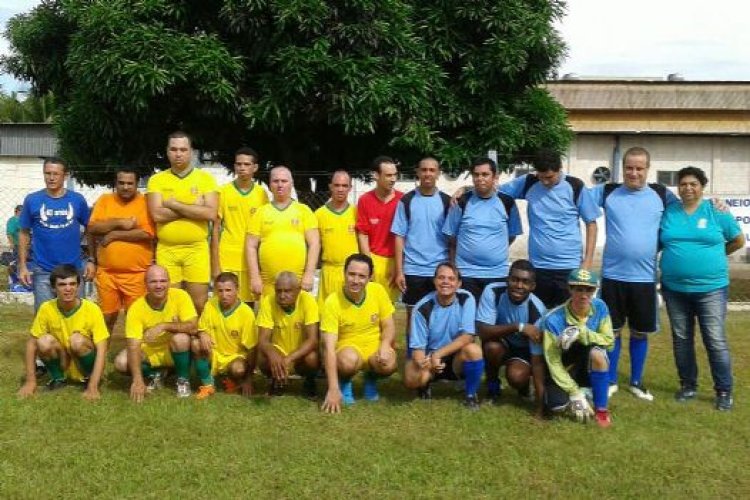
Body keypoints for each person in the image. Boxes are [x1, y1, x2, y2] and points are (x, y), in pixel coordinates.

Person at [590, 147, 679, 401]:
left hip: (644, 279)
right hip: (613, 277)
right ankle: (611, 379)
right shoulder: (608, 192)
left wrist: (715, 204)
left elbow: (688, 206)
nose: (634, 173)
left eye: (639, 168)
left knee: (640, 332)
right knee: (613, 331)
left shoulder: (661, 195)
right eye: (629, 167)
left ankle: (637, 381)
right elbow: (574, 197)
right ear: (623, 168)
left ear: (647, 170)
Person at [659, 166, 744, 411]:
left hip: (711, 289)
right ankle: (688, 385)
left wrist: (718, 255)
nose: (688, 188)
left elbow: (738, 240)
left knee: (715, 340)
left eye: (693, 184)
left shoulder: (716, 211)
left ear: (702, 187)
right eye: (683, 184)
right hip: (674, 289)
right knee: (682, 339)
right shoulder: (669, 212)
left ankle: (724, 390)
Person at [499, 150, 600, 308]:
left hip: (569, 266)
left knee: (568, 318)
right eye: (541, 177)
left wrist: (587, 261)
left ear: (560, 169)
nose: (545, 182)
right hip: (539, 267)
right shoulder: (529, 182)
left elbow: (591, 224)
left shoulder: (575, 186)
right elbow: (494, 191)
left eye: (549, 177)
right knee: (539, 318)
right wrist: (464, 191)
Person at [146, 131, 218, 315]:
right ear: (167, 152)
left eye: (183, 149)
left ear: (191, 152)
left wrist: (173, 204)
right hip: (167, 249)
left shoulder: (205, 179)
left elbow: (210, 213)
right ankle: (175, 342)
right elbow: (157, 215)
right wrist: (193, 209)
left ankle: (202, 341)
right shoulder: (156, 180)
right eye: (174, 149)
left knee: (200, 303)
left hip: (196, 249)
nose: (178, 154)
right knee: (170, 304)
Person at [17, 264, 109, 400]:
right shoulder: (46, 308)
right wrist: (31, 382)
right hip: (63, 359)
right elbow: (31, 344)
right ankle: (58, 378)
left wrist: (94, 386)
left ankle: (89, 379)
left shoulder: (92, 309)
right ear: (54, 288)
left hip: (82, 357)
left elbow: (102, 348)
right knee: (43, 341)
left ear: (78, 286)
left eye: (72, 284)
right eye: (62, 284)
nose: (68, 289)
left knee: (77, 340)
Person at [320, 253, 397, 413]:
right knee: (348, 362)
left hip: (373, 348)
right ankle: (344, 382)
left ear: (370, 278)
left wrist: (384, 345)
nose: (355, 280)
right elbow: (328, 347)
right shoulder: (332, 302)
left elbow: (389, 325)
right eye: (352, 274)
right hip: (348, 350)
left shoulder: (378, 291)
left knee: (389, 362)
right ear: (344, 273)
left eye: (362, 276)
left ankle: (371, 378)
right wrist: (333, 388)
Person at [403, 262, 483, 410]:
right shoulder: (422, 307)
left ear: (459, 284)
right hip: (430, 358)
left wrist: (438, 354)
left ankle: (471, 395)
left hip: (455, 357)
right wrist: (425, 362)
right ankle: (425, 384)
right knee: (410, 378)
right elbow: (418, 351)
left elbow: (468, 337)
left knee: (474, 350)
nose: (446, 282)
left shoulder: (467, 299)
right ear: (434, 281)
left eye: (451, 279)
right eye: (441, 278)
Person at [18, 157, 94, 311]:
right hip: (43, 270)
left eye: (55, 174)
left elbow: (90, 229)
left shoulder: (77, 200)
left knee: (77, 318)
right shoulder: (32, 200)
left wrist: (91, 259)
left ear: (65, 175)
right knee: (45, 319)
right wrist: (23, 266)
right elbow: (24, 233)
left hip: (73, 269)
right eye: (47, 173)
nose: (51, 178)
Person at [541, 269, 614, 428]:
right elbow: (553, 360)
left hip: (585, 362)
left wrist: (582, 333)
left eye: (589, 289)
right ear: (570, 289)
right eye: (579, 289)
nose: (584, 295)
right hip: (562, 367)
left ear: (595, 290)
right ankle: (582, 393)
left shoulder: (600, 307)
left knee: (598, 353)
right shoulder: (553, 319)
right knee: (557, 407)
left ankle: (601, 410)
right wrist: (574, 392)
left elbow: (609, 342)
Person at [391, 157, 450, 352]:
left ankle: (435, 357)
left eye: (432, 170)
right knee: (413, 316)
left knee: (439, 315)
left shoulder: (446, 201)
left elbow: (452, 238)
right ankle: (412, 357)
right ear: (417, 172)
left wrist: (453, 267)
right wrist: (399, 271)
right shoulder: (406, 201)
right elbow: (399, 236)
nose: (427, 174)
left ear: (438, 173)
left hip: (439, 269)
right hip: (413, 269)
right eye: (424, 170)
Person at [113, 265, 197, 402]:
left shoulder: (181, 296)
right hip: (150, 352)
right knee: (121, 362)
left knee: (181, 338)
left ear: (169, 282)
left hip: (174, 349)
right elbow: (133, 346)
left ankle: (182, 381)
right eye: (153, 282)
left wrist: (164, 326)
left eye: (163, 281)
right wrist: (137, 380)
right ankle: (154, 375)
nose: (159, 286)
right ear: (145, 284)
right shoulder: (136, 308)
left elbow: (193, 327)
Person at [443, 157, 522, 301]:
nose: (480, 179)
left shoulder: (507, 202)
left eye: (485, 174)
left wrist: (494, 250)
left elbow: (511, 235)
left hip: (497, 274)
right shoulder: (462, 202)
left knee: (493, 320)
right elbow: (451, 236)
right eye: (476, 175)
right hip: (466, 274)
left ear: (495, 177)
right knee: (467, 319)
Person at [88, 168, 155, 332]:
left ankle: (136, 356)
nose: (125, 187)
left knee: (136, 318)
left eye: (130, 183)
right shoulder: (104, 200)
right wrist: (119, 223)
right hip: (107, 273)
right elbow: (93, 227)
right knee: (106, 317)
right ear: (115, 183)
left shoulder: (145, 202)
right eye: (121, 183)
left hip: (137, 274)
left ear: (137, 184)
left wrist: (114, 235)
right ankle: (100, 356)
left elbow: (147, 233)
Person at [476, 259, 546, 415]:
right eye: (515, 279)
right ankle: (493, 389)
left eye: (525, 282)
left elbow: (539, 358)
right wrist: (518, 326)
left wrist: (540, 406)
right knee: (491, 347)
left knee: (516, 376)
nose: (519, 286)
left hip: (525, 351)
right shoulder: (493, 291)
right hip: (503, 344)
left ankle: (524, 387)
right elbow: (482, 330)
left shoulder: (538, 311)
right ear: (507, 279)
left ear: (532, 286)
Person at [246, 165, 320, 297]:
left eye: (284, 181)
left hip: (298, 283)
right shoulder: (260, 213)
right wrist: (254, 277)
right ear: (270, 185)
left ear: (291, 184)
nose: (280, 185)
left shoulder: (304, 211)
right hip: (268, 284)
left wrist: (309, 274)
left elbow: (314, 244)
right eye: (276, 181)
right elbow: (251, 246)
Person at [211, 147, 268, 306]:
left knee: (248, 308)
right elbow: (215, 229)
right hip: (228, 258)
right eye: (239, 164)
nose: (242, 168)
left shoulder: (262, 194)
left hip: (251, 262)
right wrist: (215, 265)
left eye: (247, 164)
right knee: (226, 305)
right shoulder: (223, 192)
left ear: (255, 167)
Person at [192, 272, 258, 399]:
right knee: (196, 343)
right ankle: (207, 385)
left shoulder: (246, 313)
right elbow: (201, 327)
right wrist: (202, 333)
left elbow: (252, 349)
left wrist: (248, 379)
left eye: (228, 290)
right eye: (220, 291)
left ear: (237, 290)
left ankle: (232, 380)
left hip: (235, 357)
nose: (224, 295)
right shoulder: (210, 305)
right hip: (214, 353)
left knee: (238, 369)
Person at [256, 272, 320, 398]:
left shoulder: (308, 301)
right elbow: (263, 340)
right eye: (278, 291)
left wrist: (289, 359)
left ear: (298, 291)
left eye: (287, 291)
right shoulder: (268, 301)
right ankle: (275, 381)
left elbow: (313, 340)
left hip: (299, 355)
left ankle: (309, 381)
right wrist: (273, 355)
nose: (282, 296)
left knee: (312, 358)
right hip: (279, 352)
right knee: (263, 357)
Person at [356, 155, 403, 301]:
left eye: (395, 175)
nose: (393, 179)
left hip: (396, 261)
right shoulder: (365, 200)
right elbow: (363, 234)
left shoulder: (403, 200)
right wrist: (368, 265)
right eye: (388, 175)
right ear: (376, 175)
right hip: (374, 259)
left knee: (390, 310)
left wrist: (399, 266)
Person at [314, 170, 358, 309]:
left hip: (352, 273)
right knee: (325, 315)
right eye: (337, 185)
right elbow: (315, 246)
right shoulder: (319, 214)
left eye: (344, 185)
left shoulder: (357, 213)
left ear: (350, 188)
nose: (340, 189)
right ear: (330, 187)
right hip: (329, 272)